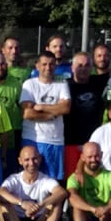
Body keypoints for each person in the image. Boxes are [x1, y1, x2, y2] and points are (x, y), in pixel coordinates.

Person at [18, 51, 71, 185]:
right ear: (37, 66)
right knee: (30, 179)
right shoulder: (29, 84)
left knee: (52, 182)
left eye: (52, 64)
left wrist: (40, 107)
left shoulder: (61, 82)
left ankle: (49, 206)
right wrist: (52, 113)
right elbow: (27, 114)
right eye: (44, 64)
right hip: (32, 139)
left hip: (55, 140)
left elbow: (65, 108)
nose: (48, 67)